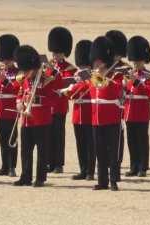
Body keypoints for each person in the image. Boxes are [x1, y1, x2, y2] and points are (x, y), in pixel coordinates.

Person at [13, 45, 57, 187]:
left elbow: (53, 96)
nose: (26, 73)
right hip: (27, 119)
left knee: (42, 151)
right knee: (25, 150)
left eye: (27, 70)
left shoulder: (46, 79)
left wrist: (36, 98)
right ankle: (25, 176)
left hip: (41, 119)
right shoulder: (26, 78)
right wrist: (19, 102)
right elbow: (21, 92)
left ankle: (40, 178)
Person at [89, 36, 123, 191]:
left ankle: (114, 180)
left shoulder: (116, 76)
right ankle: (102, 181)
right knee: (100, 151)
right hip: (96, 118)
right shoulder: (93, 77)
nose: (96, 64)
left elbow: (117, 92)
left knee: (112, 152)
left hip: (111, 118)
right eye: (95, 61)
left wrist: (106, 78)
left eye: (98, 61)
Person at [0, 34, 20, 177]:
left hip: (11, 110)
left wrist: (5, 81)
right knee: (2, 140)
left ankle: (12, 166)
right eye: (5, 59)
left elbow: (16, 89)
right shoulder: (2, 71)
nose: (6, 62)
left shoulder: (19, 73)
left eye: (9, 59)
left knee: (11, 139)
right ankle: (5, 166)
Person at [63, 40, 96, 180]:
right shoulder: (77, 74)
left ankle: (90, 171)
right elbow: (70, 95)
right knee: (80, 143)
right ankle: (83, 170)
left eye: (84, 64)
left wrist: (82, 83)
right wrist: (71, 86)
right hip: (78, 113)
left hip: (89, 112)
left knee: (90, 144)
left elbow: (93, 91)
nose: (82, 67)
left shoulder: (95, 76)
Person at [46, 27, 77, 173]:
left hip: (59, 104)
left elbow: (64, 82)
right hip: (47, 104)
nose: (55, 55)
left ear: (64, 53)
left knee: (58, 135)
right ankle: (49, 162)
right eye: (54, 53)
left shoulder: (69, 68)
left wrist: (53, 72)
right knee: (48, 134)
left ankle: (59, 164)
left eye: (58, 53)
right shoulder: (48, 66)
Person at [124, 36, 150, 177]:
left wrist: (136, 82)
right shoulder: (129, 75)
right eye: (134, 62)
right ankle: (133, 166)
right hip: (129, 111)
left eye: (138, 62)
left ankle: (143, 167)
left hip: (141, 112)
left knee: (142, 140)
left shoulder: (149, 76)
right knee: (131, 141)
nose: (135, 64)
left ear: (144, 61)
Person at [105, 30, 128, 181]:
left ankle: (116, 167)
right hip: (104, 110)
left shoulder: (125, 69)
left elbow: (127, 88)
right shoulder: (105, 67)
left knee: (117, 141)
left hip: (118, 109)